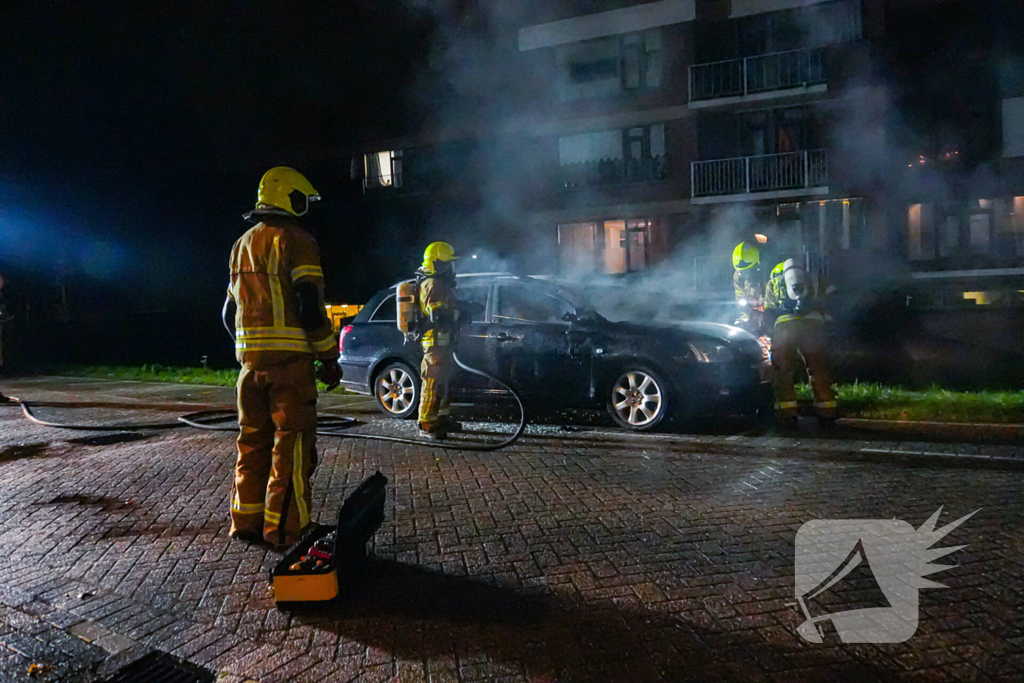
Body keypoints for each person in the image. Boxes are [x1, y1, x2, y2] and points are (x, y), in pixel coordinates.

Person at [222, 167, 343, 548]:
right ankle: (287, 530)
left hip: (249, 368)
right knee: (291, 449)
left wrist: (250, 351)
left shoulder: (241, 244)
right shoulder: (297, 240)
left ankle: (246, 521)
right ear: (290, 198)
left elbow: (228, 313)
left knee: (252, 444)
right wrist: (328, 357)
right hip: (290, 369)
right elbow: (308, 306)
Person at [763, 258, 837, 431]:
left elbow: (767, 312)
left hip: (784, 328)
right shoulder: (815, 279)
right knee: (818, 369)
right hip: (813, 326)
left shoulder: (773, 283)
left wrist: (769, 333)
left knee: (784, 372)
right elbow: (833, 296)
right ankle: (827, 414)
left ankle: (788, 416)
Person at [416, 241, 463, 440]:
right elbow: (438, 315)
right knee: (432, 383)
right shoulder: (431, 284)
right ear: (437, 263)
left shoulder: (440, 284)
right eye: (447, 263)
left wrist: (462, 308)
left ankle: (442, 417)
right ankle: (426, 424)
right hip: (434, 342)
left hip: (442, 342)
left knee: (443, 382)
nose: (451, 268)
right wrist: (461, 312)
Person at [732, 241, 766, 335]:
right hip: (753, 309)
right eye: (741, 272)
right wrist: (744, 315)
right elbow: (740, 296)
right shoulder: (738, 276)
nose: (745, 275)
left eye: (748, 271)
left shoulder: (766, 273)